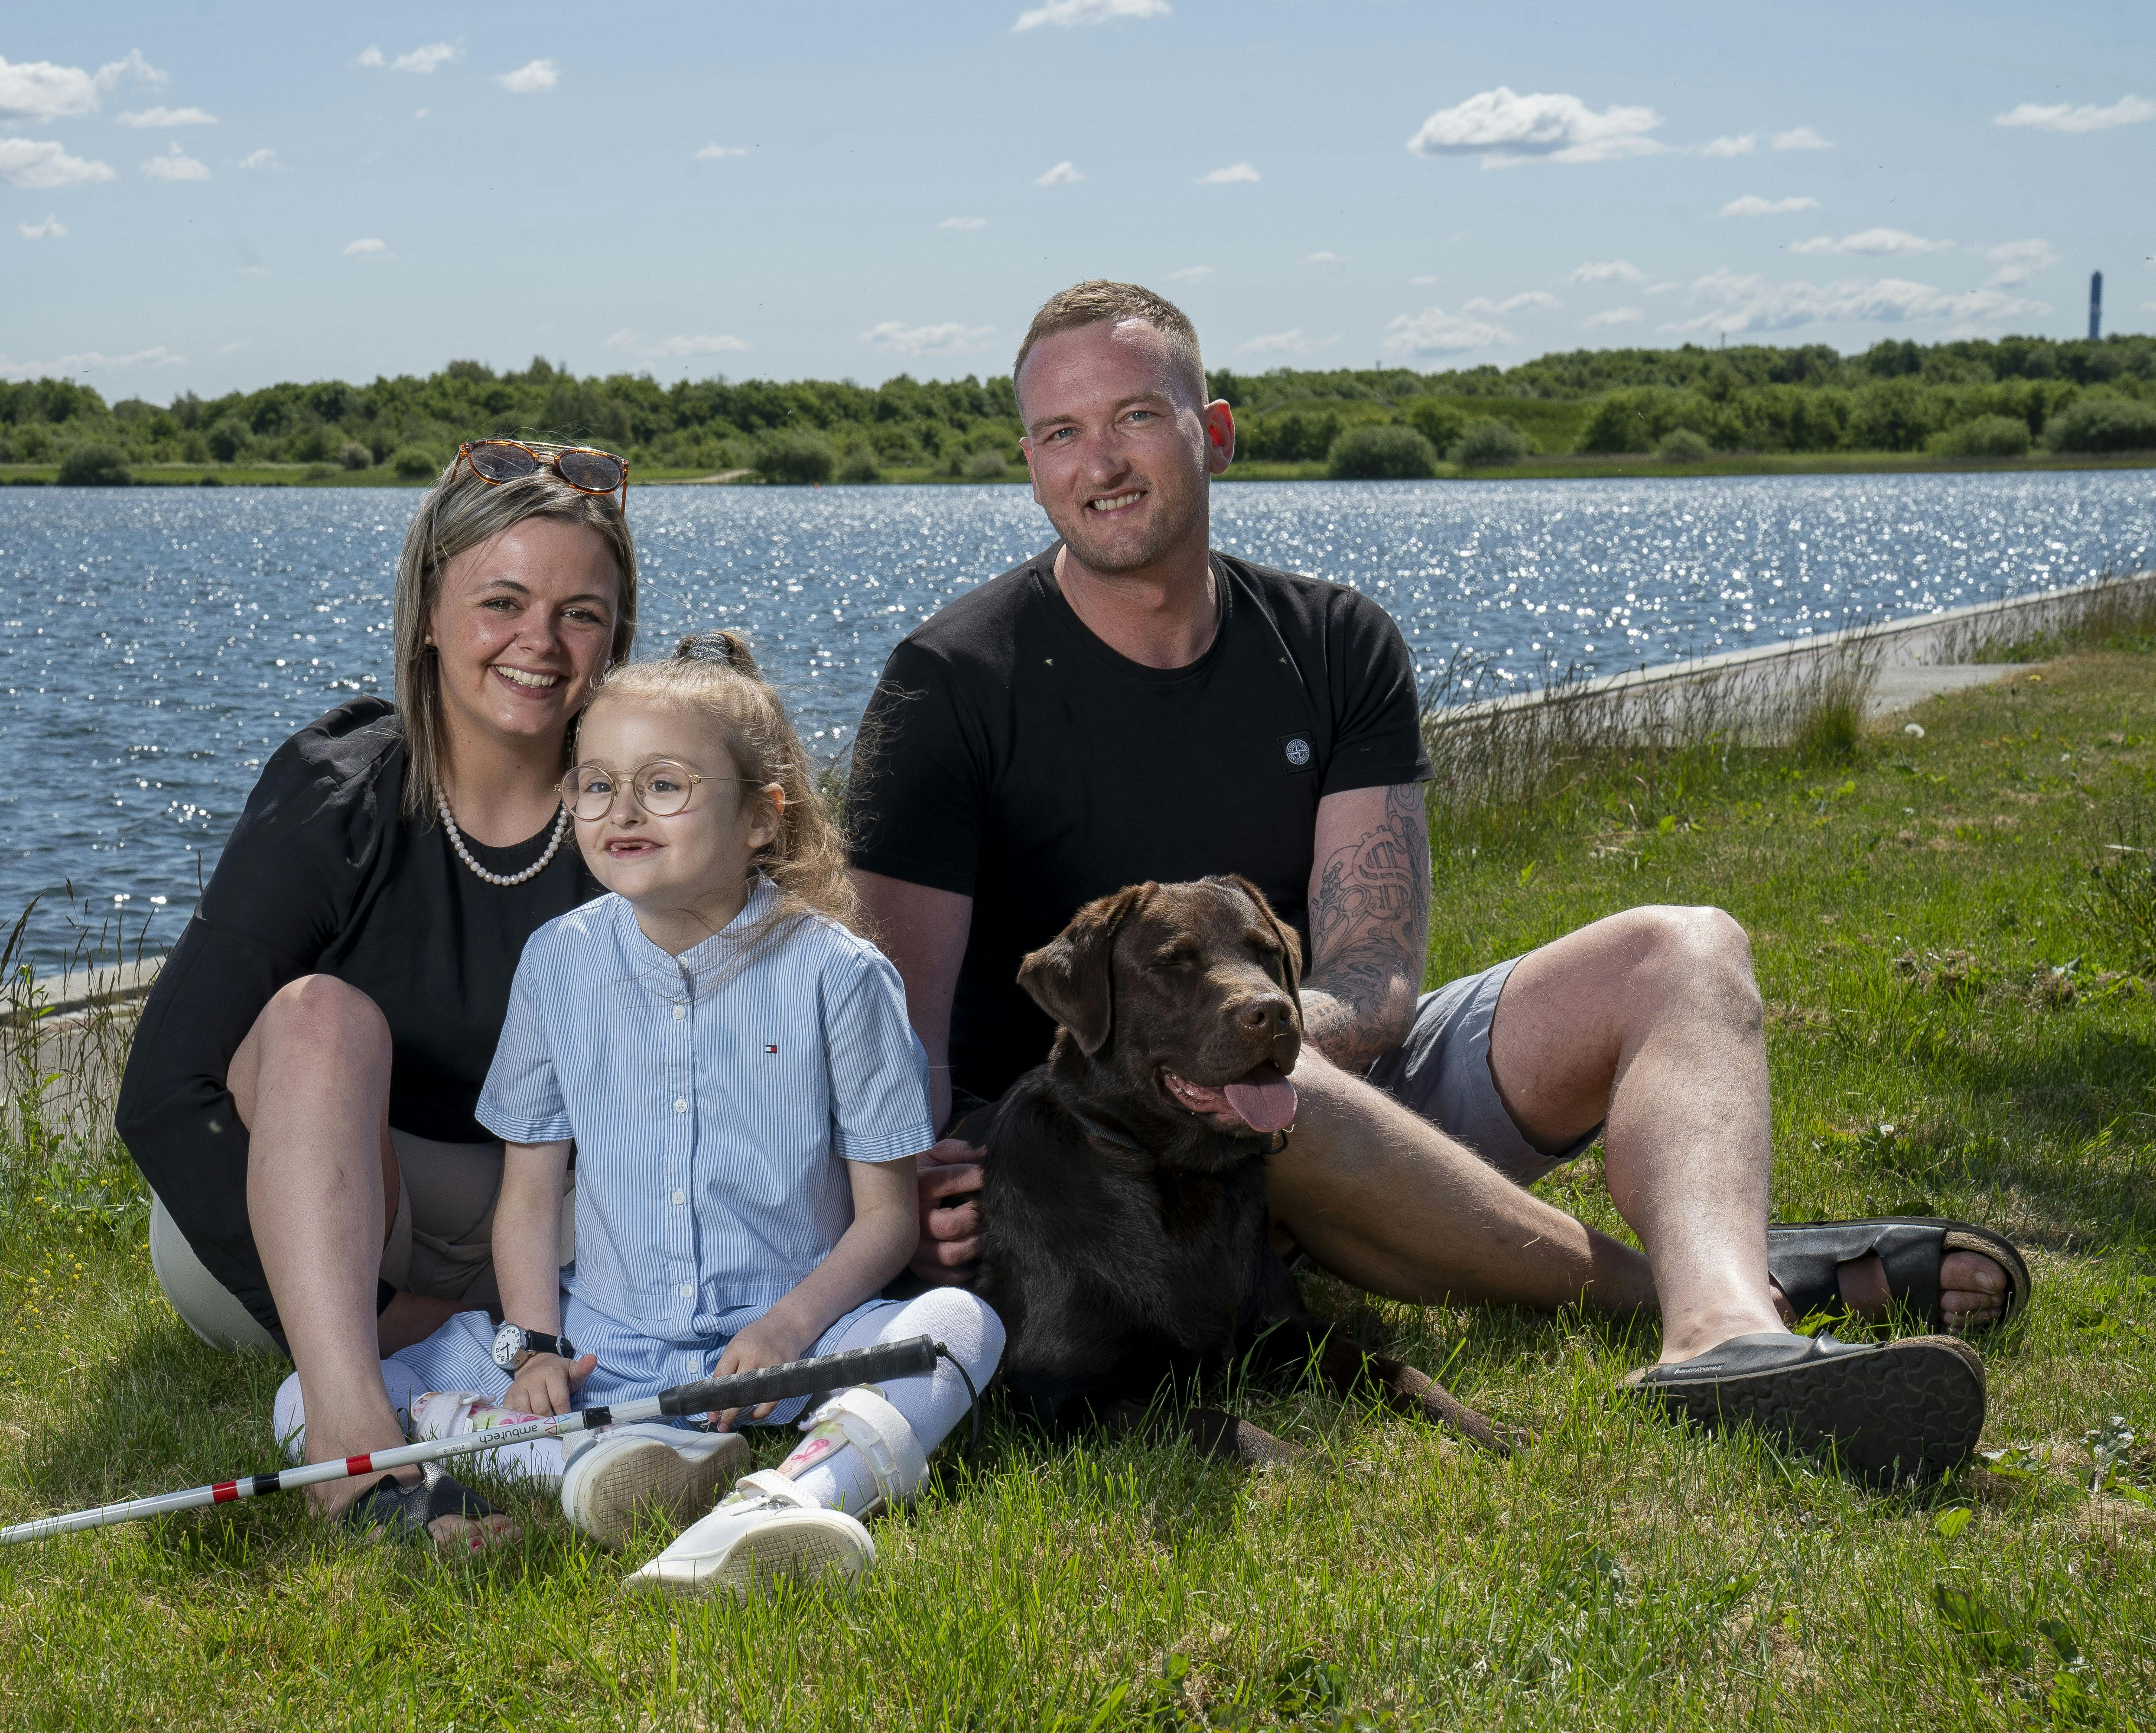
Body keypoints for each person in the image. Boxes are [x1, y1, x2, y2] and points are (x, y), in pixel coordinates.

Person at [843, 281, 2021, 1469]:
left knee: (1685, 944)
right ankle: (1741, 1281)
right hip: (1112, 1162)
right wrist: (920, 1195)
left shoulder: (1333, 641)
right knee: (1249, 1060)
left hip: (1321, 1082)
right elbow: (898, 1037)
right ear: (1033, 464)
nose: (1099, 462)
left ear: (1215, 432)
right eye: (1060, 434)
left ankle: (1723, 1336)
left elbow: (1371, 975)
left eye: (1136, 417)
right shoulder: (950, 683)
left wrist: (1258, 1037)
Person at [374, 630, 1002, 1595]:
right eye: (594, 784)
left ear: (760, 817)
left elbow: (887, 1219)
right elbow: (531, 1194)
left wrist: (790, 1330)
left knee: (961, 1325)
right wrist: (536, 1343)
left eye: (663, 785)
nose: (620, 809)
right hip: (605, 1346)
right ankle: (595, 1467)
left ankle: (786, 1496)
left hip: (795, 1344)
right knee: (321, 1391)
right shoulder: (558, 964)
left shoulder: (843, 977)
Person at [116, 439, 641, 1551]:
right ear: (429, 611)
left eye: (580, 613)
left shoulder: (637, 812)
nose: (540, 644)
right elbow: (166, 1093)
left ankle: (470, 1369)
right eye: (502, 600)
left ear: (616, 636)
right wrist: (364, 1315)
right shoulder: (336, 793)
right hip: (319, 1227)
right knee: (318, 1014)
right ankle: (353, 1460)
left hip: (541, 1244)